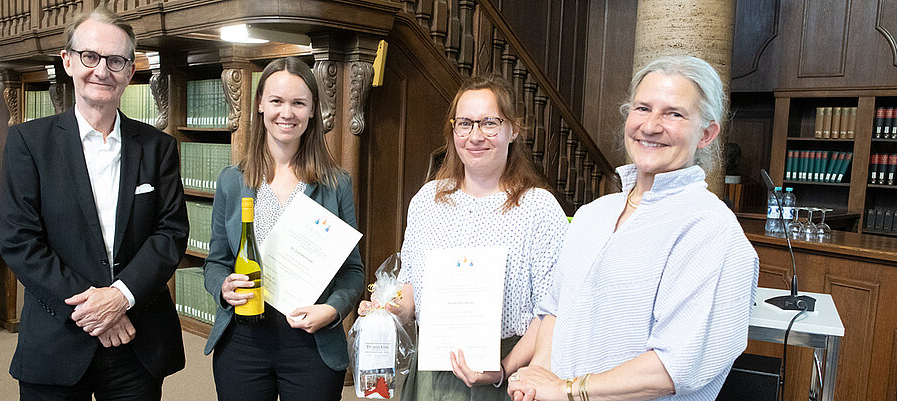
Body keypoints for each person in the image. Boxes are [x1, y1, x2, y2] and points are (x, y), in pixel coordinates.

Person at [506, 55, 759, 401]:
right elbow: (556, 309)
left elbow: (673, 368)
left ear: (707, 133)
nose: (652, 125)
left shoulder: (711, 229)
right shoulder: (592, 214)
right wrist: (539, 376)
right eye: (642, 108)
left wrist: (566, 390)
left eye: (674, 113)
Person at [0, 7, 187, 400]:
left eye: (116, 60)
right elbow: (20, 242)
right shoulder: (28, 144)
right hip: (58, 337)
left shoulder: (158, 148)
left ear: (130, 71)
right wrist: (95, 313)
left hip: (137, 343)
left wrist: (120, 297)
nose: (102, 70)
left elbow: (170, 234)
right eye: (90, 57)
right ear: (67, 61)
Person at [360, 75, 568, 400]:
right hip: (434, 373)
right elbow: (413, 288)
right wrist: (387, 307)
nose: (475, 136)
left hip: (509, 375)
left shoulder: (538, 208)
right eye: (465, 123)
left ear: (513, 129)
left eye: (489, 123)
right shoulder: (427, 201)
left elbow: (551, 312)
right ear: (453, 130)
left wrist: (502, 368)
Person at [203, 56, 364, 401]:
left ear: (312, 110)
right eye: (276, 101)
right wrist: (223, 287)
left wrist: (333, 310)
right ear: (260, 104)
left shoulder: (336, 185)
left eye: (298, 103)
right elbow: (215, 261)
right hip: (243, 342)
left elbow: (353, 271)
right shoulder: (232, 182)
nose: (286, 113)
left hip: (312, 343)